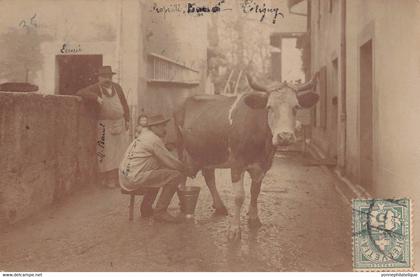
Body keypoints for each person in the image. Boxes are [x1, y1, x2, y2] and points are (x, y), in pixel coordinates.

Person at [119, 114, 191, 223]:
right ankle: (160, 212)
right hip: (134, 177)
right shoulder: (154, 139)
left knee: (159, 173)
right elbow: (170, 162)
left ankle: (146, 208)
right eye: (162, 126)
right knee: (175, 176)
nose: (164, 129)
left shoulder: (144, 136)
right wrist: (186, 168)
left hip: (125, 176)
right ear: (154, 127)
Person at [77, 66, 130, 188]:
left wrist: (127, 119)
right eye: (105, 77)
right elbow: (80, 92)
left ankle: (118, 179)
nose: (107, 79)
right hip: (105, 124)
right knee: (106, 153)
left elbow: (124, 104)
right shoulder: (95, 88)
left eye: (109, 77)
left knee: (120, 152)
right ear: (99, 77)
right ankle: (108, 180)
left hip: (120, 123)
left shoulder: (117, 87)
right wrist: (96, 97)